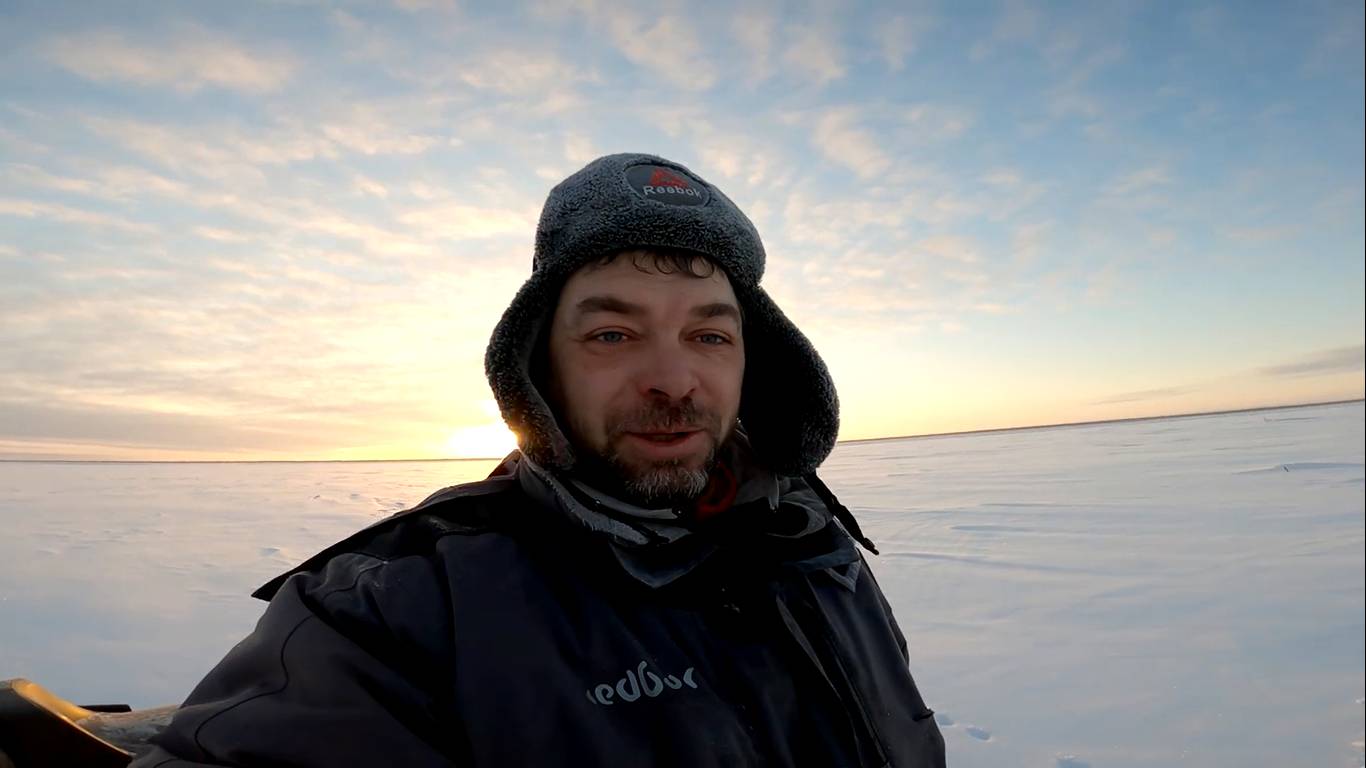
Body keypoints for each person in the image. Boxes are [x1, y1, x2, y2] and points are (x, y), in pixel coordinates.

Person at [133, 153, 946, 767]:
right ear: (538, 368)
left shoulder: (814, 547)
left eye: (708, 334)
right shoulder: (401, 607)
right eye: (612, 335)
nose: (673, 380)